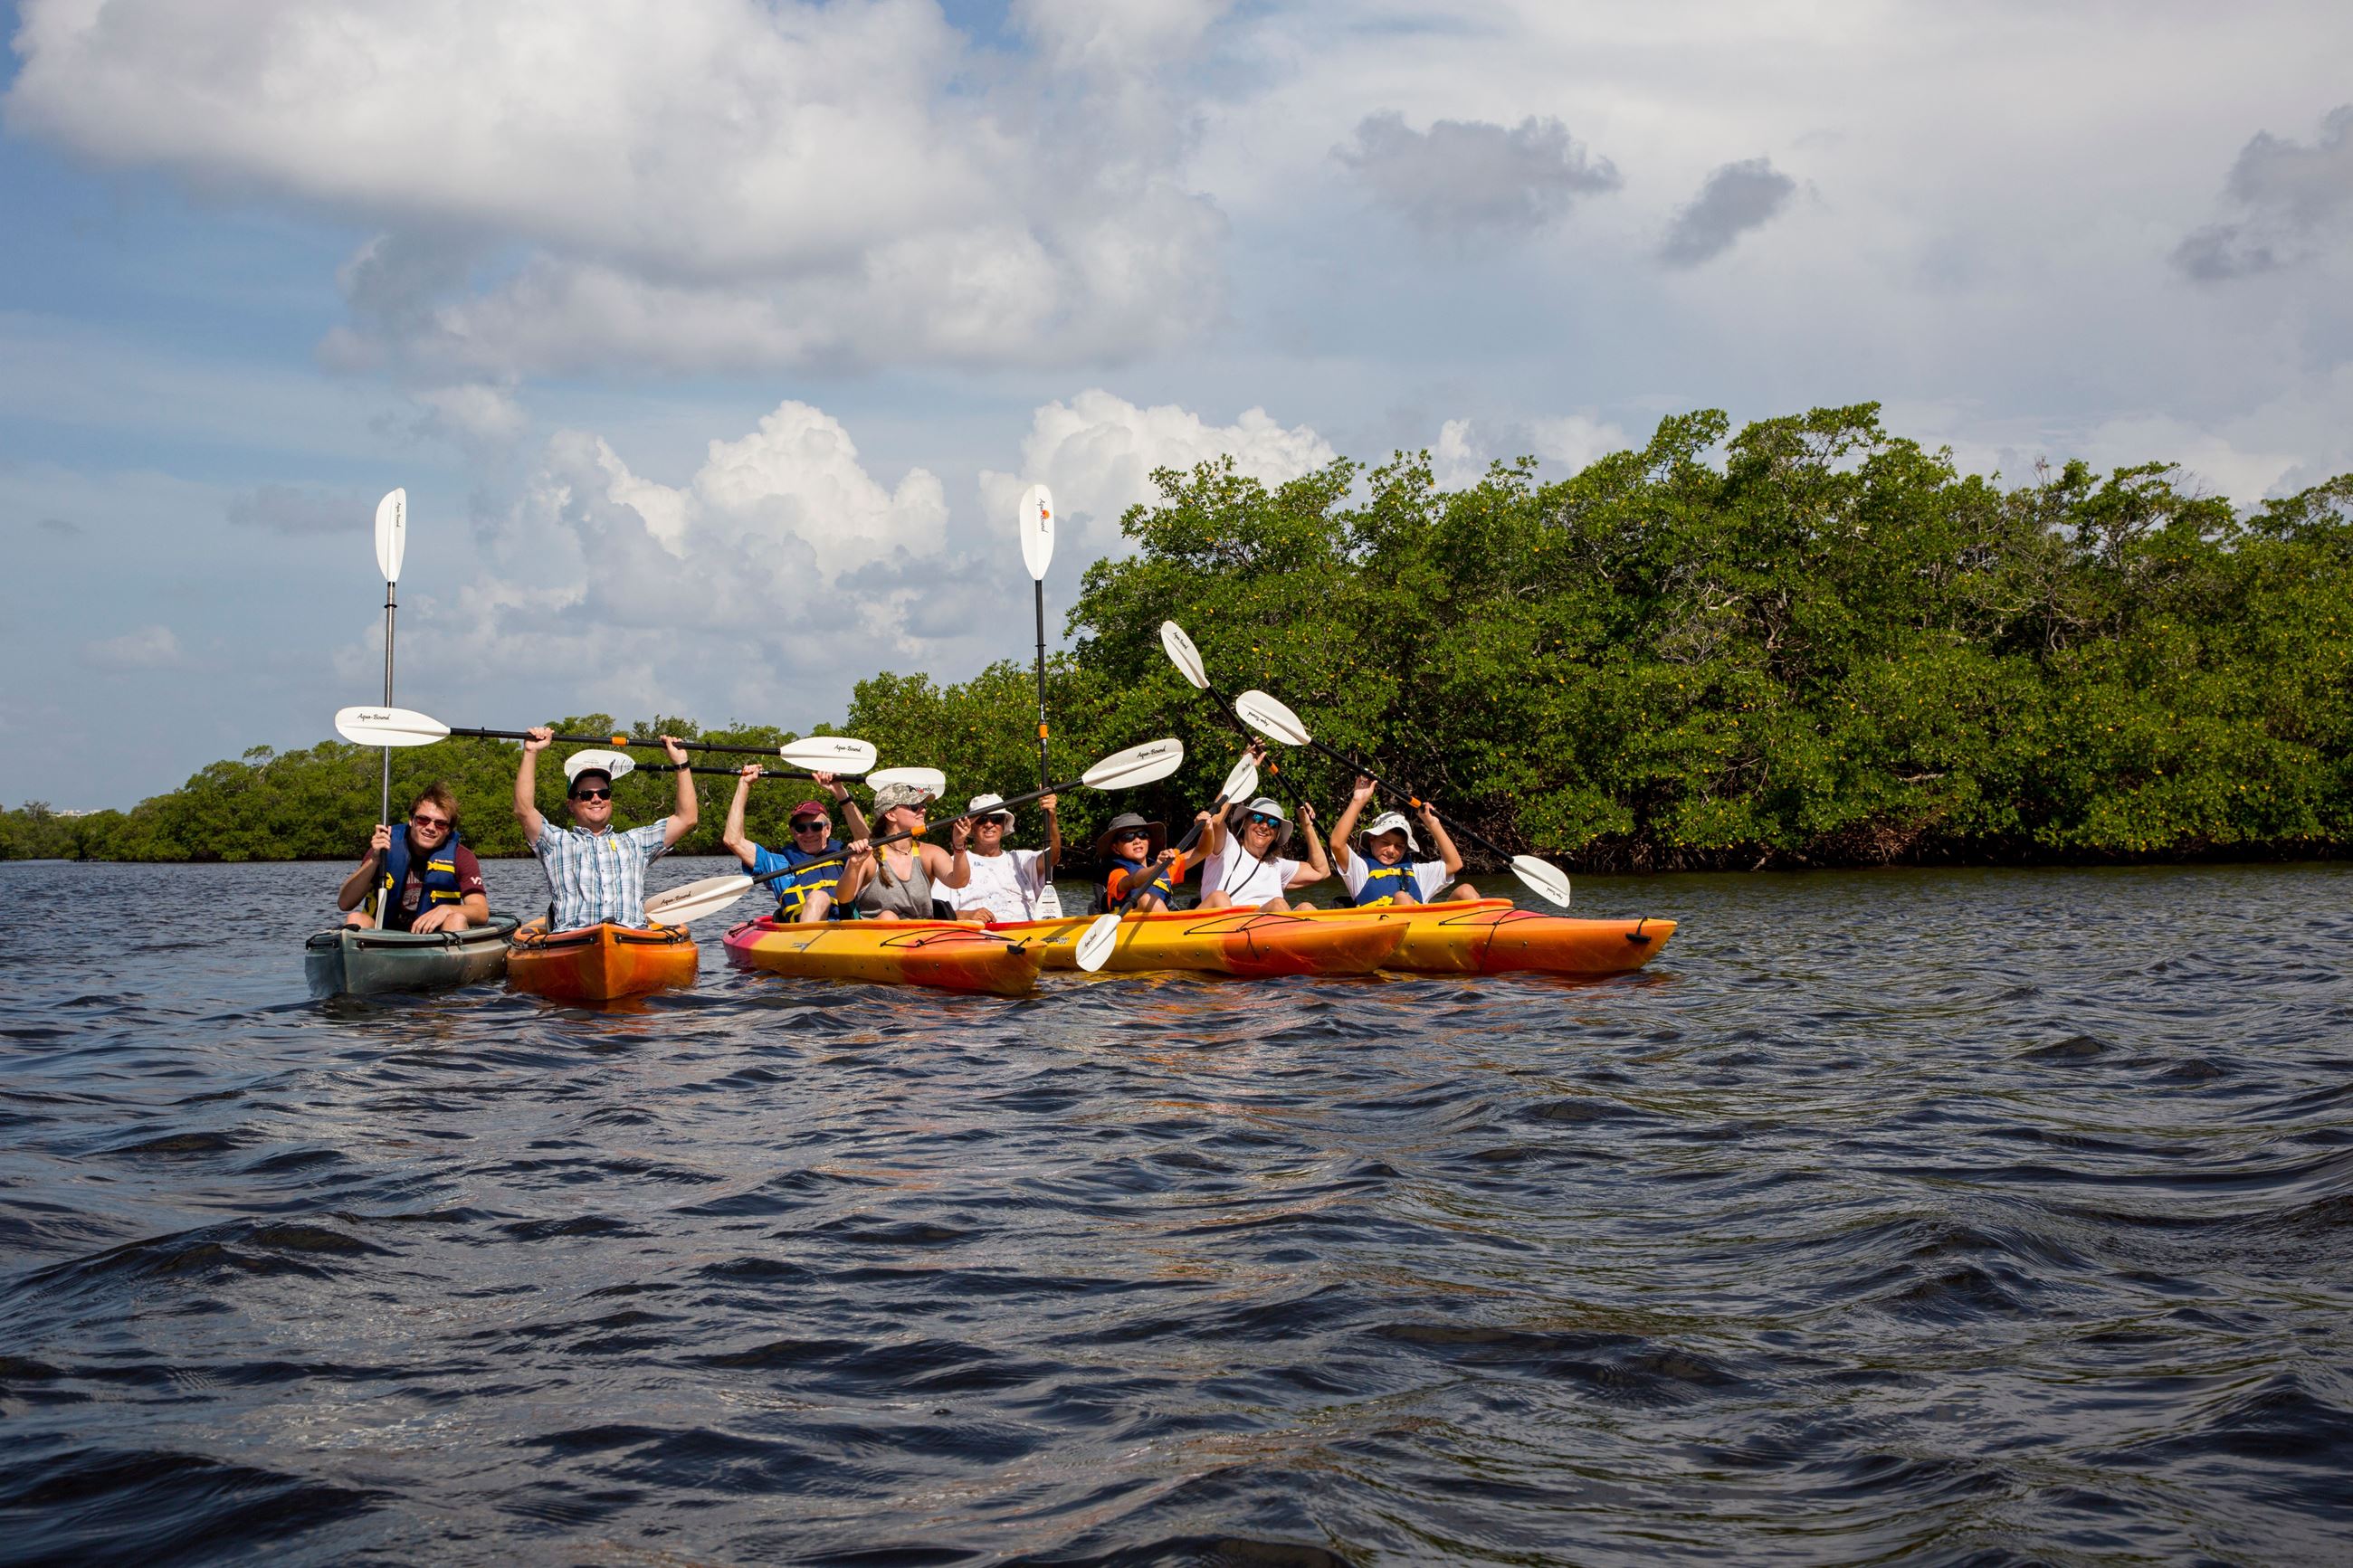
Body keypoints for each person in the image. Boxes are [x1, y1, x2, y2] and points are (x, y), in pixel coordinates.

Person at [513, 727, 698, 929]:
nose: (596, 799)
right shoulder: (556, 842)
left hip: (631, 936)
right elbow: (524, 810)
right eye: (586, 795)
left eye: (603, 793)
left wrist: (681, 762)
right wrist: (531, 752)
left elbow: (686, 819)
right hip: (574, 938)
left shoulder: (635, 841)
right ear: (571, 804)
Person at [719, 766, 868, 924]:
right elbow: (733, 840)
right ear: (793, 832)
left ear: (828, 829)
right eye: (801, 828)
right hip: (800, 933)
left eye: (816, 826)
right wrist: (744, 784)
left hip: (847, 930)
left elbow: (868, 842)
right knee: (819, 897)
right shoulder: (777, 864)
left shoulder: (847, 856)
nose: (809, 833)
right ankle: (806, 938)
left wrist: (840, 793)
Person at [336, 783, 490, 932]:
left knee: (456, 919)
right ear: (411, 820)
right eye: (423, 820)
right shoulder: (383, 847)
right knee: (356, 919)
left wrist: (447, 909)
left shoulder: (461, 856)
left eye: (440, 824)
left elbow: (481, 912)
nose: (430, 828)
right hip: (383, 934)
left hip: (435, 937)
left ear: (448, 830)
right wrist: (375, 859)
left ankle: (451, 950)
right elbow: (345, 903)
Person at [1326, 774, 1479, 905]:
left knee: (1467, 891)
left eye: (1399, 846)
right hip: (1382, 926)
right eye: (1385, 843)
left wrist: (1433, 823)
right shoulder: (1360, 869)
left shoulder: (1417, 873)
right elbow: (1337, 844)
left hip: (1421, 926)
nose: (1391, 851)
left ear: (1406, 848)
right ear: (1372, 840)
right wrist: (1358, 801)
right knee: (1402, 898)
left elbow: (1454, 864)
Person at [836, 781, 971, 920]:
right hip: (879, 932)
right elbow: (844, 897)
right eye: (914, 806)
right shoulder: (868, 856)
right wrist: (854, 866)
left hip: (921, 932)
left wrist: (959, 845)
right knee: (888, 917)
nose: (923, 810)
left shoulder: (931, 853)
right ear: (890, 815)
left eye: (923, 805)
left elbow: (959, 881)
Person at [1199, 793, 1329, 911]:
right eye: (1257, 818)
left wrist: (1307, 825)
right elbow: (1215, 821)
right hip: (1219, 923)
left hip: (1263, 925)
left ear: (1277, 834)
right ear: (1244, 823)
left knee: (1306, 908)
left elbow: (1321, 871)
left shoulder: (1277, 865)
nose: (1264, 826)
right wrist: (1236, 784)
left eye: (1272, 823)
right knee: (1221, 897)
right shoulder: (1227, 847)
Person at [950, 792, 1061, 923]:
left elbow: (1052, 858)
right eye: (982, 819)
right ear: (971, 827)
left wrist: (1051, 816)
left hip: (1027, 931)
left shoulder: (1020, 859)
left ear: (1004, 823)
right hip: (978, 933)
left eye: (996, 818)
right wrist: (965, 915)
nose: (989, 824)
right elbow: (934, 912)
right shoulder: (954, 863)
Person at [1089, 812, 1180, 916]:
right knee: (1147, 899)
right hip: (1128, 921)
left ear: (1148, 841)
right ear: (1116, 848)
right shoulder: (1116, 872)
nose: (1137, 841)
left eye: (1142, 835)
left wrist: (1199, 828)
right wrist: (1157, 868)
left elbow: (1195, 854)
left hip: (1164, 919)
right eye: (1127, 837)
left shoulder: (1166, 864)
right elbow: (1133, 881)